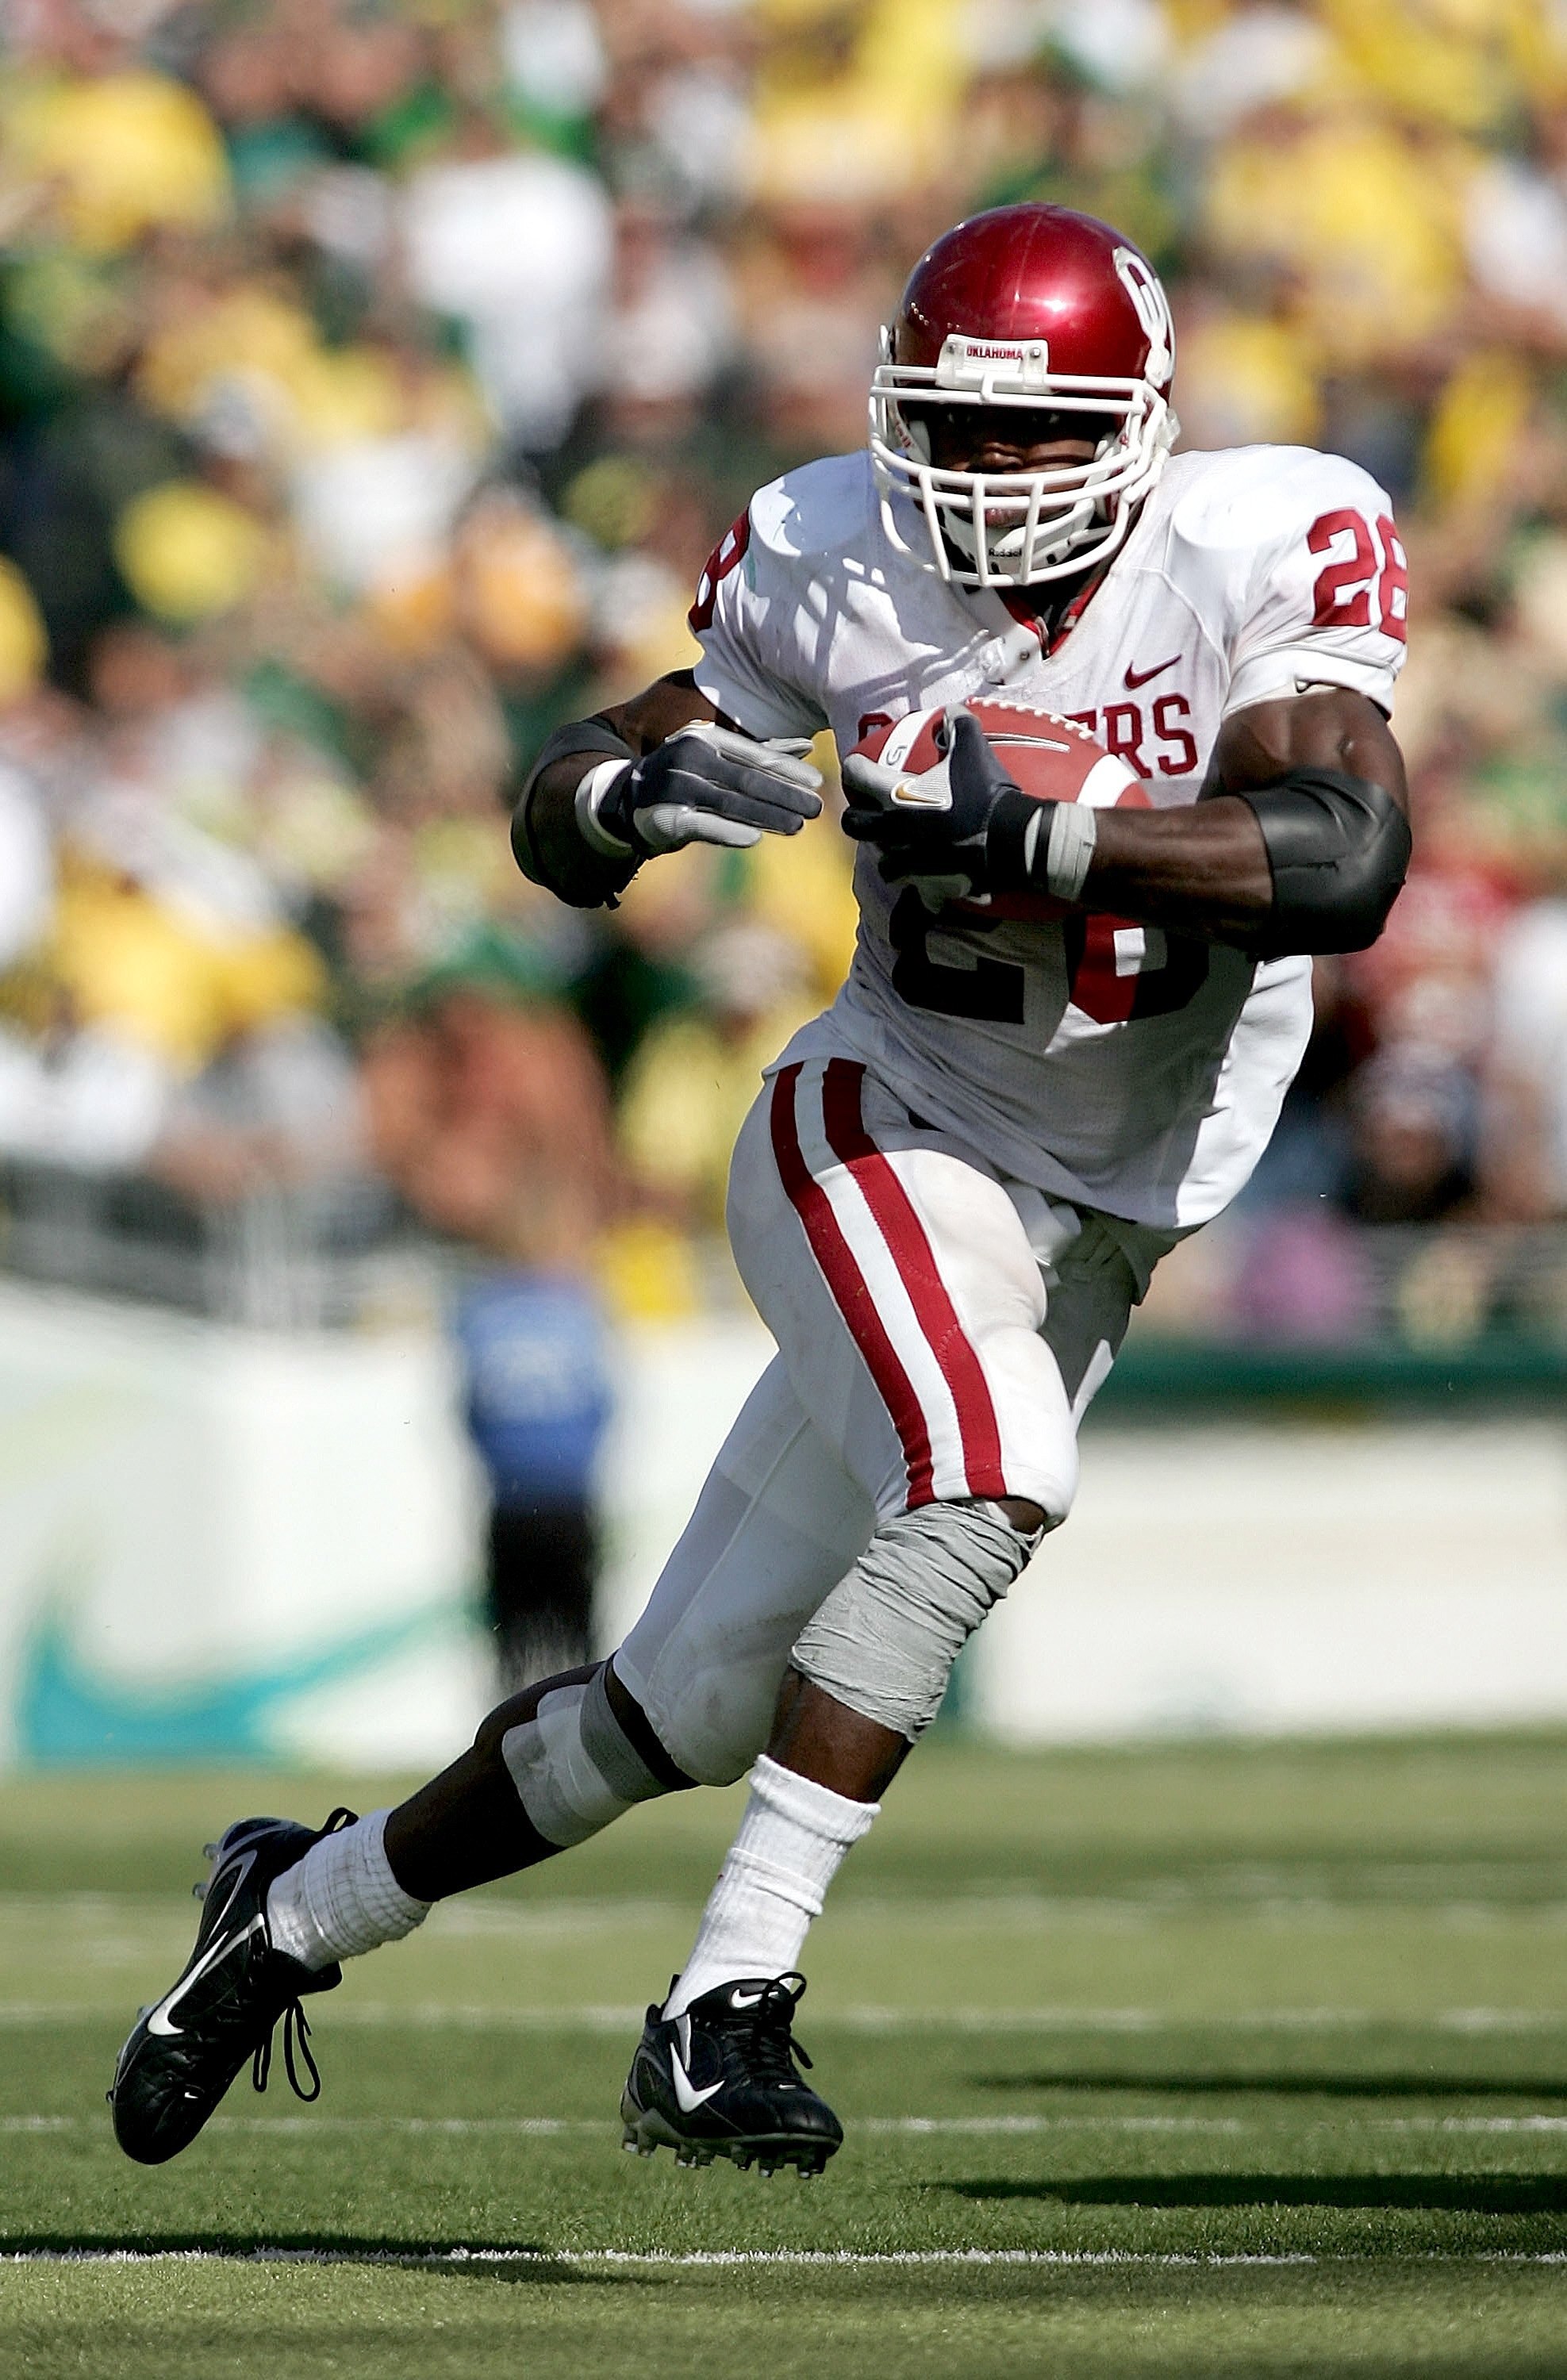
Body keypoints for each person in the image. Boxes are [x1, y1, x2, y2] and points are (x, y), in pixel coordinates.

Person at [109, 205, 1410, 2179]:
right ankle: (724, 2008)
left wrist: (1037, 832)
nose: (988, 480)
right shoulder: (829, 552)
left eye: (1039, 436)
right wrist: (628, 802)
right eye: (952, 436)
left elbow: (1339, 858)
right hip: (891, 1122)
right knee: (988, 1476)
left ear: (1140, 425)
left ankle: (289, 1915)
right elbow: (566, 796)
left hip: (1115, 1200)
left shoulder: (1263, 536)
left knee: (686, 1703)